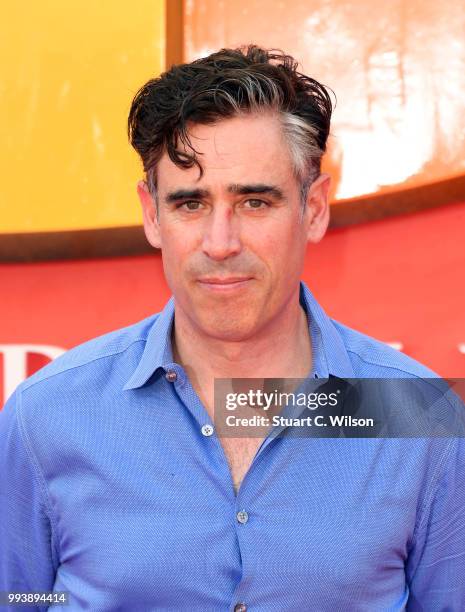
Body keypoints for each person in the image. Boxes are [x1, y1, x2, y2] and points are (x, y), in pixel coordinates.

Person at [1, 45, 464, 611]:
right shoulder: (47, 416)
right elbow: (15, 597)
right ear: (152, 215)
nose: (220, 244)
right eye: (190, 204)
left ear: (314, 208)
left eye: (254, 202)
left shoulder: (417, 418)